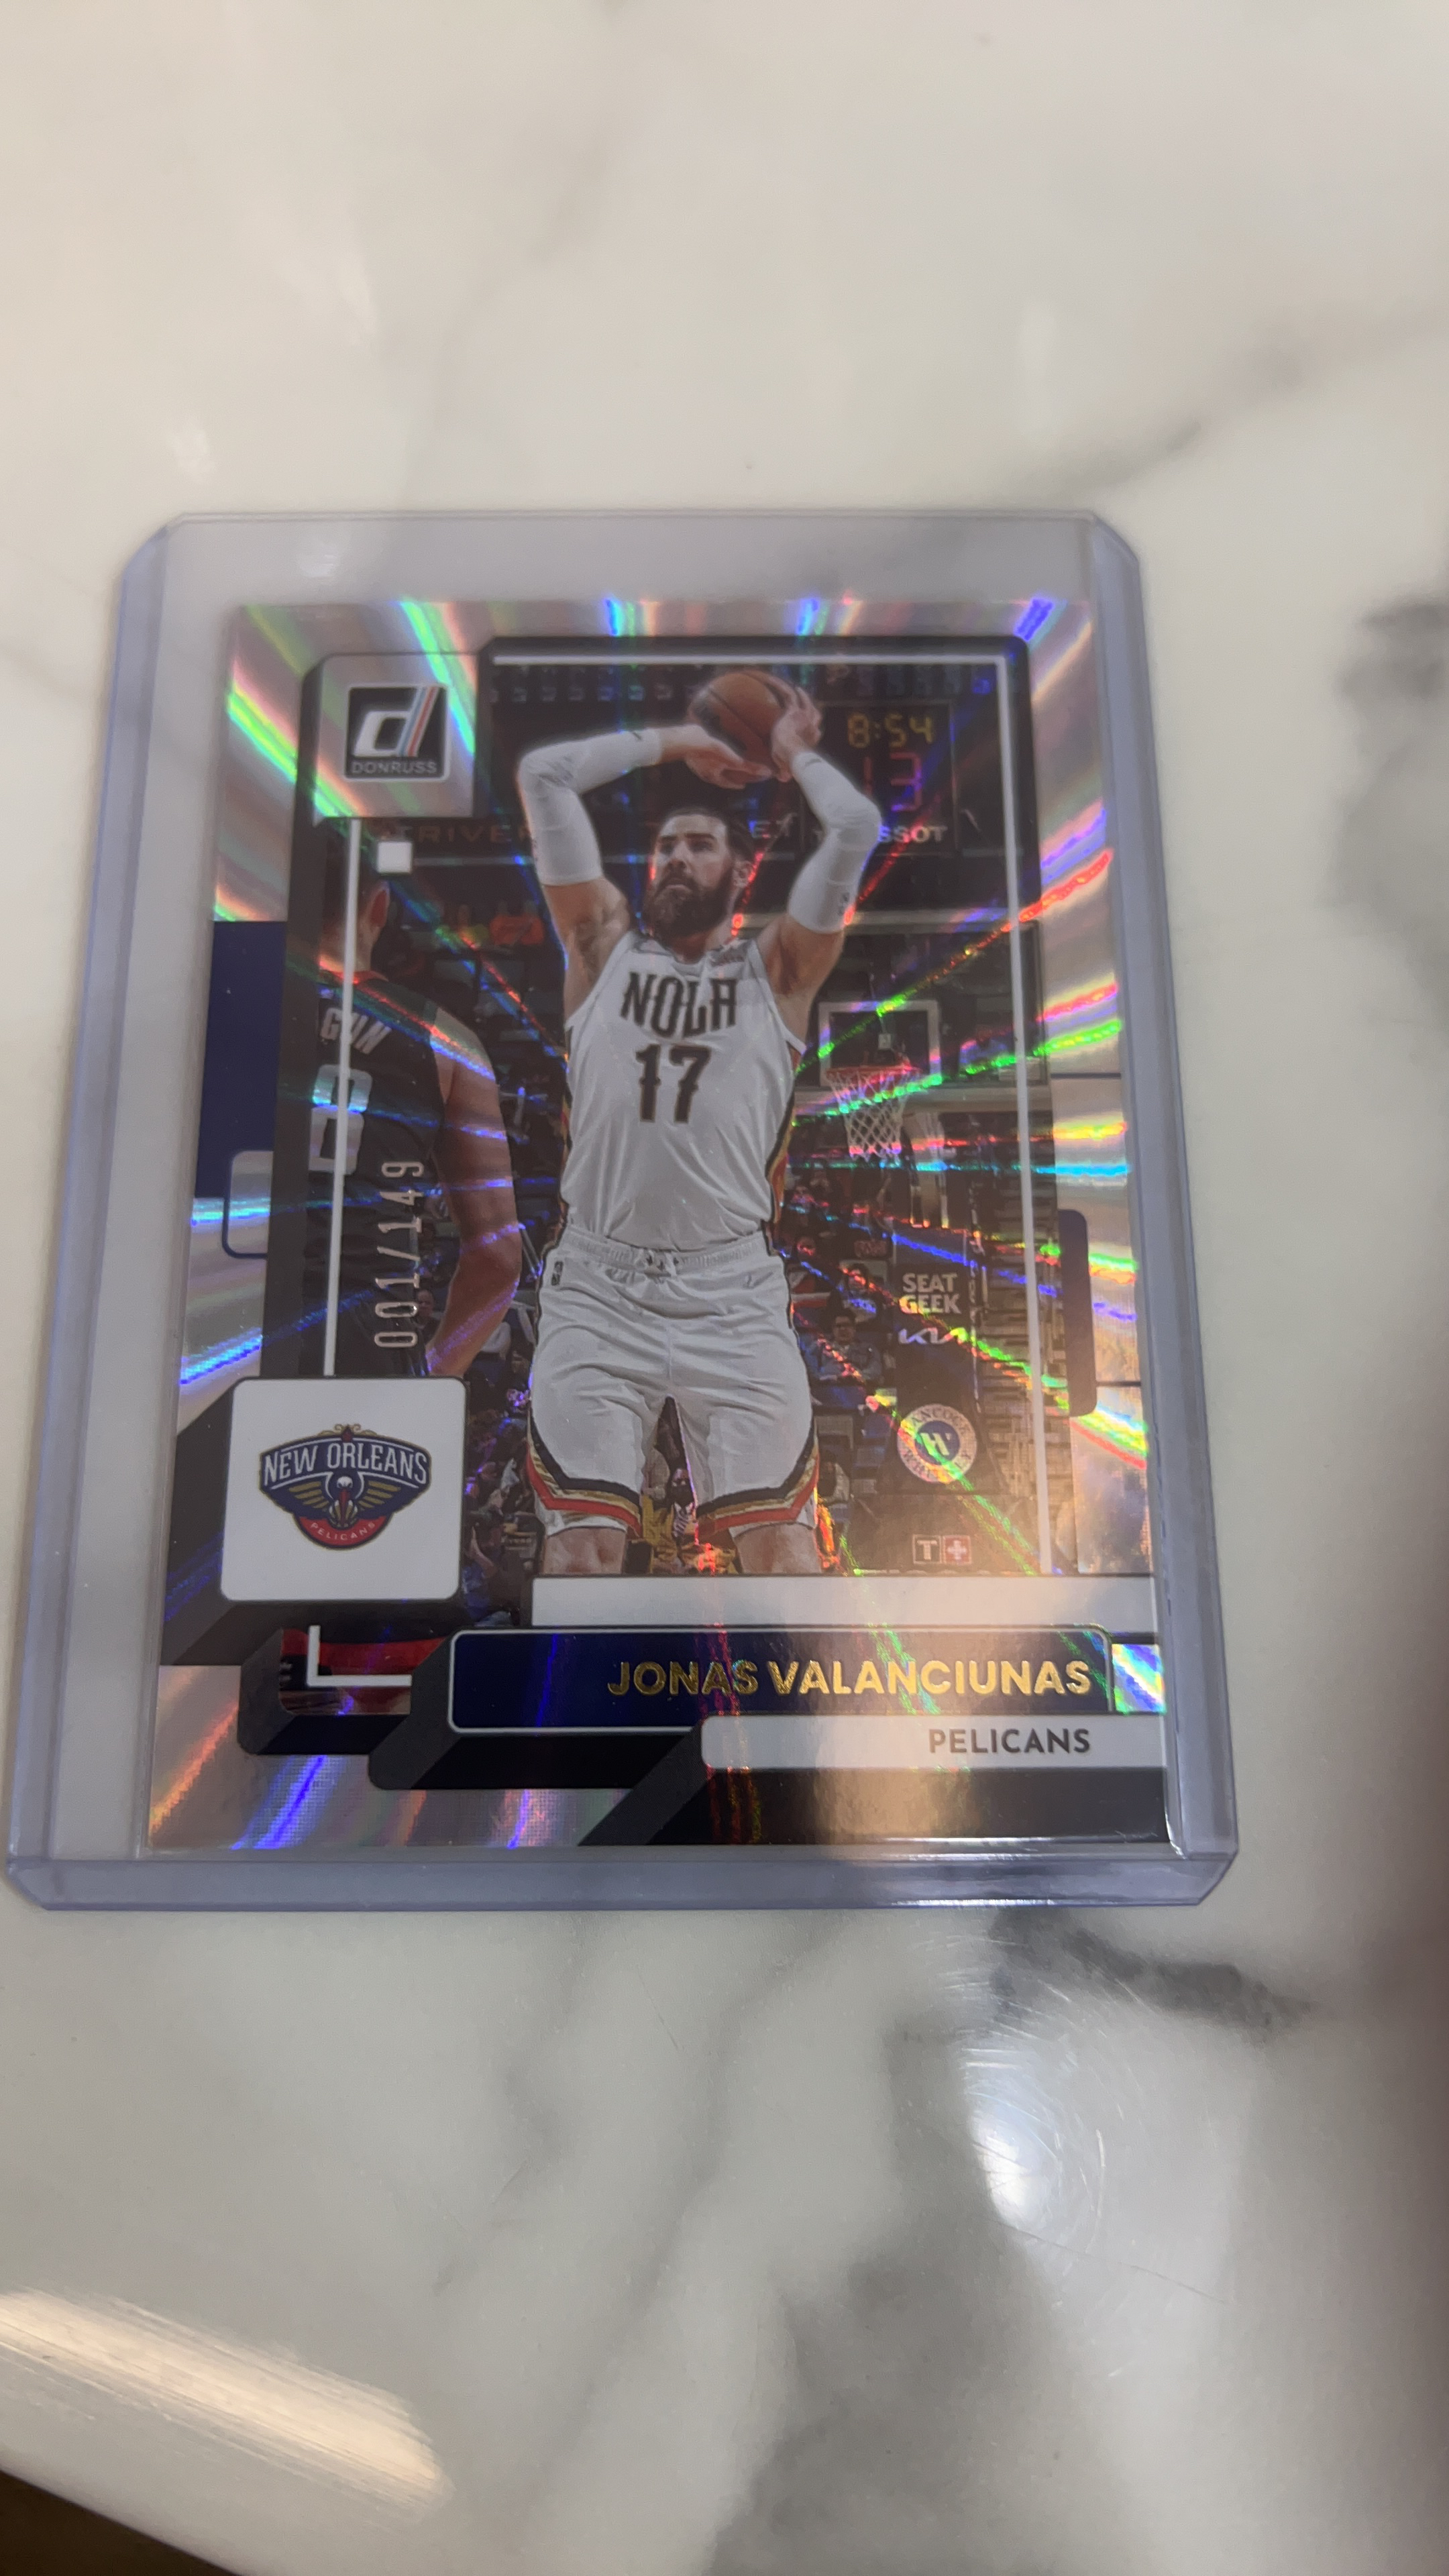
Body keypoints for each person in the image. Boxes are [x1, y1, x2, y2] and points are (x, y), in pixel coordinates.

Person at [517, 681, 881, 1574]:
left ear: (741, 872)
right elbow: (545, 774)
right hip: (599, 1285)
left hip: (732, 1292)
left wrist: (792, 754)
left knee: (785, 1554)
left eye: (700, 844)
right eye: (666, 847)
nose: (677, 857)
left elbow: (856, 826)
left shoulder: (778, 972)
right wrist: (680, 739)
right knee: (583, 1553)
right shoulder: (601, 951)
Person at [303, 849, 521, 1377]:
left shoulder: (217, 1013)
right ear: (379, 907)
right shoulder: (446, 1042)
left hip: (226, 1325)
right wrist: (431, 1379)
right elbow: (498, 1260)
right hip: (366, 1336)